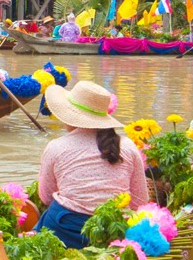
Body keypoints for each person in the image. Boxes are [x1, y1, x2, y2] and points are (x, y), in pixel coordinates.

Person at [33, 80, 152, 247]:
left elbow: (45, 196)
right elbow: (140, 202)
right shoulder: (127, 146)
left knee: (42, 221)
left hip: (65, 229)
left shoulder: (56, 147)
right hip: (112, 232)